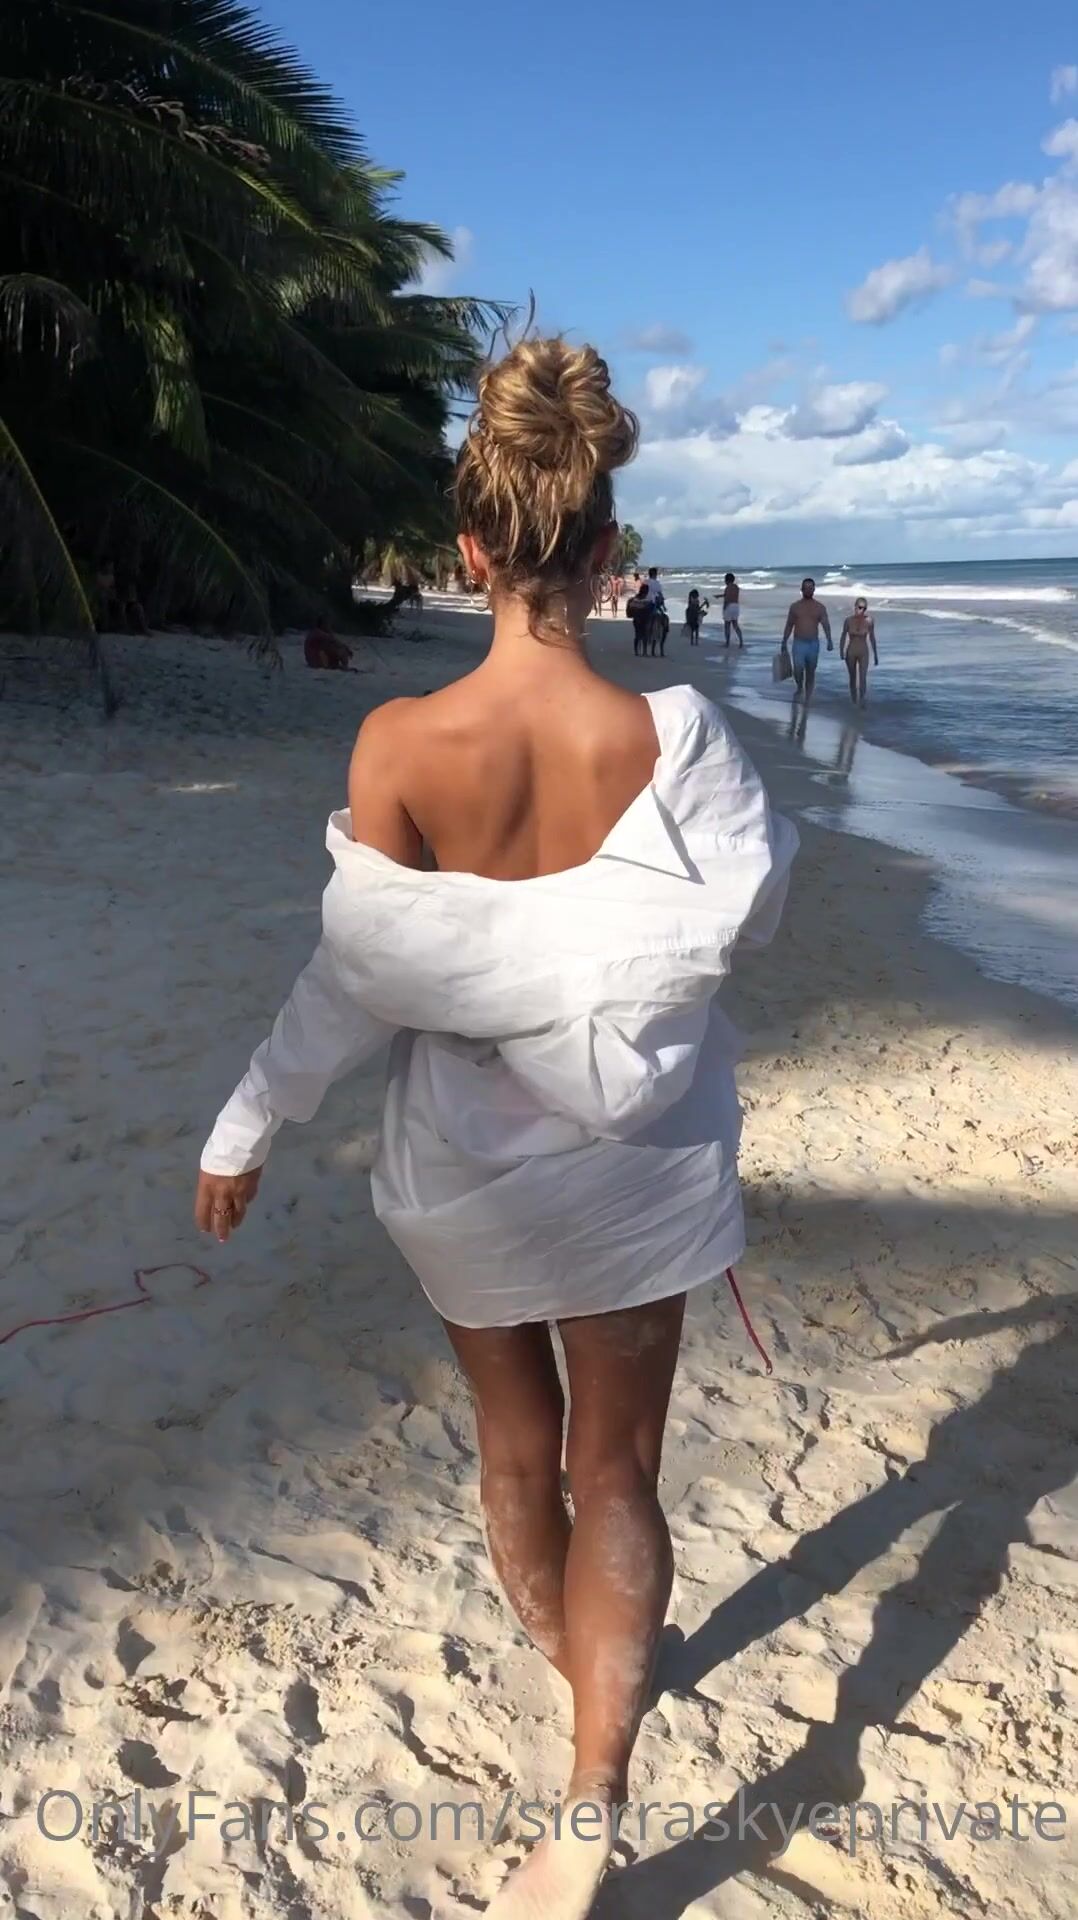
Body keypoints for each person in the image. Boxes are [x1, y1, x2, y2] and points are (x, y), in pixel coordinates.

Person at [196, 336, 796, 1917]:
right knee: (622, 1467)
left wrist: (247, 1125)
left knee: (517, 1448)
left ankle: (566, 1651)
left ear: (469, 551)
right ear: (608, 552)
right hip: (639, 1168)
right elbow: (737, 921)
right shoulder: (675, 742)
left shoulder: (400, 747)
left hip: (462, 1176)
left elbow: (355, 978)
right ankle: (593, 1785)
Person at [781, 577, 832, 701]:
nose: (808, 590)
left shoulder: (820, 607)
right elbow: (789, 624)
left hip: (813, 644)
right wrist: (784, 641)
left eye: (810, 588)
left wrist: (829, 640)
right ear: (801, 590)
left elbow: (825, 624)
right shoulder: (795, 607)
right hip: (799, 643)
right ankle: (799, 687)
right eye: (806, 588)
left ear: (814, 589)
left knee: (811, 670)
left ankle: (808, 698)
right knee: (798, 669)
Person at [839, 596, 878, 706]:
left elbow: (872, 638)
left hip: (863, 651)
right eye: (860, 607)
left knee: (863, 677)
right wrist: (841, 650)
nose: (862, 610)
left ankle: (862, 700)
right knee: (852, 677)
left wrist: (875, 654)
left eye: (864, 608)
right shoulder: (848, 621)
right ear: (855, 607)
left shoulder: (869, 621)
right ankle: (853, 700)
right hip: (851, 651)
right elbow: (843, 636)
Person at [626, 580, 655, 656]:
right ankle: (644, 652)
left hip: (636, 620)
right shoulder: (647, 601)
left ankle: (636, 651)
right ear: (646, 591)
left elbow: (632, 607)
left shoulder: (634, 599)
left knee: (637, 635)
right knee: (645, 635)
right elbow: (650, 610)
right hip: (644, 620)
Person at [722, 572, 743, 649]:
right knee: (735, 625)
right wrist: (720, 596)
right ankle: (741, 641)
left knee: (727, 625)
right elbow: (732, 595)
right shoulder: (736, 587)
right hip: (736, 606)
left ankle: (727, 643)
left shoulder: (727, 588)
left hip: (729, 606)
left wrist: (724, 608)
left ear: (727, 580)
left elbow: (727, 598)